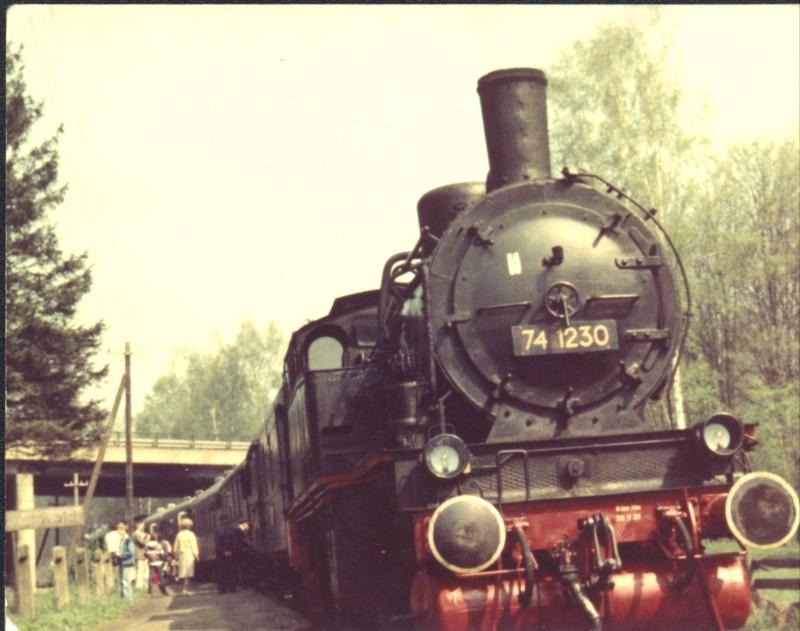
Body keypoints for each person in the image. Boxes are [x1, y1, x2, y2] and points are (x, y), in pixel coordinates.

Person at [214, 518, 251, 593]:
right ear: (228, 521)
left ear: (220, 521)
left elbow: (217, 543)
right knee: (232, 570)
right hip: (232, 553)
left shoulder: (216, 530)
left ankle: (222, 589)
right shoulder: (233, 530)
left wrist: (223, 551)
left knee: (222, 571)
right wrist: (230, 551)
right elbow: (235, 542)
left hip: (221, 554)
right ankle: (232, 588)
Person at [173, 517, 199, 595]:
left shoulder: (179, 534)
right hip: (189, 554)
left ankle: (184, 589)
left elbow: (175, 547)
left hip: (181, 554)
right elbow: (193, 545)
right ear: (189, 526)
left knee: (183, 572)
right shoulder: (191, 534)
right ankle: (186, 589)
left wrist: (176, 556)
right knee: (188, 572)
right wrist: (196, 555)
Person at [144, 531, 169, 597]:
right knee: (161, 577)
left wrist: (149, 556)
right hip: (159, 562)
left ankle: (150, 592)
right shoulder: (159, 545)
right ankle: (164, 592)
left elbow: (145, 554)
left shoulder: (147, 545)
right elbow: (162, 554)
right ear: (156, 538)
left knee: (150, 577)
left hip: (151, 562)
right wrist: (163, 559)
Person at [118, 522, 136, 603]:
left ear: (123, 529)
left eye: (119, 529)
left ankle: (129, 600)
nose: (118, 532)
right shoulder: (123, 540)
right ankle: (127, 599)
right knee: (125, 581)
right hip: (124, 562)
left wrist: (121, 555)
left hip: (127, 563)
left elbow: (131, 552)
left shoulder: (128, 540)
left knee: (126, 581)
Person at [132, 520, 150, 590]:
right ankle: (139, 586)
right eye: (142, 525)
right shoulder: (136, 534)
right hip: (139, 554)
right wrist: (147, 538)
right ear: (138, 525)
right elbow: (142, 543)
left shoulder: (141, 534)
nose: (144, 526)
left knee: (145, 570)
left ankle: (144, 585)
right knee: (140, 570)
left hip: (144, 555)